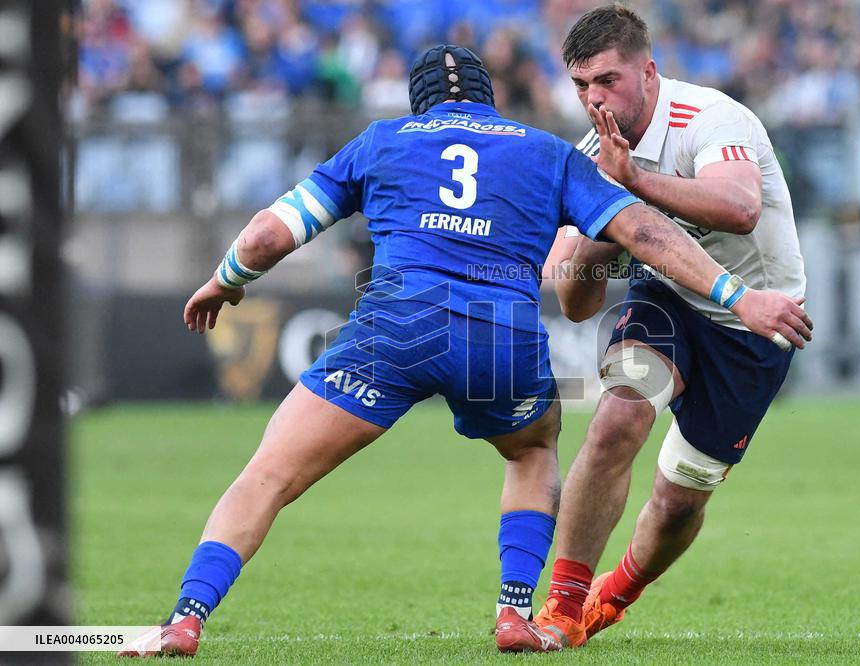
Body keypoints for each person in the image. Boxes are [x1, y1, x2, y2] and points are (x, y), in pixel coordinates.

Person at [120, 43, 811, 657]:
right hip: (498, 337)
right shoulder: (546, 152)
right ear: (490, 101)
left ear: (418, 104)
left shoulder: (383, 141)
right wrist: (736, 293)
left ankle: (186, 619)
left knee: (266, 475)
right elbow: (648, 237)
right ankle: (515, 613)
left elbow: (273, 234)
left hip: (397, 329)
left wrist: (223, 281)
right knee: (533, 451)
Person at [532, 5, 812, 649]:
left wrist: (636, 185)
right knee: (619, 415)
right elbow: (574, 301)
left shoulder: (710, 118)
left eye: (607, 81)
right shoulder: (589, 158)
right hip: (668, 299)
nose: (593, 99)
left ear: (649, 72)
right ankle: (564, 605)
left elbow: (740, 208)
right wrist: (600, 237)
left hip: (757, 323)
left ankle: (618, 591)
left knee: (682, 497)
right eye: (581, 86)